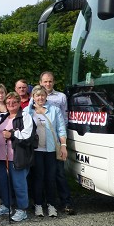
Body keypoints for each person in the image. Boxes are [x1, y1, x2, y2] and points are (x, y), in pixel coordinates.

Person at [0, 92, 33, 222]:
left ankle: (22, 209)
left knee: (19, 183)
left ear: (19, 103)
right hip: (1, 156)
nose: (11, 105)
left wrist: (12, 134)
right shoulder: (5, 117)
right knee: (3, 182)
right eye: (8, 102)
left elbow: (27, 135)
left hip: (17, 156)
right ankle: (7, 204)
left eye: (14, 102)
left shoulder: (25, 116)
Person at [29, 85, 67, 218]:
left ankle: (51, 204)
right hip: (36, 150)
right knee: (38, 178)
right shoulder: (28, 111)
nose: (40, 97)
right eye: (37, 95)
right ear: (33, 97)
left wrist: (63, 145)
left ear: (46, 96)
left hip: (51, 150)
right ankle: (38, 204)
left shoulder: (55, 110)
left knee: (50, 178)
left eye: (42, 95)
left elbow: (61, 129)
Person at [39, 71, 74, 215]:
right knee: (41, 174)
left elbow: (64, 119)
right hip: (41, 143)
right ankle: (42, 202)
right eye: (45, 81)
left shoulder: (61, 97)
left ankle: (66, 202)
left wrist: (62, 142)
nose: (48, 84)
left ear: (54, 82)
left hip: (57, 141)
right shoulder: (35, 96)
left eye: (50, 81)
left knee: (59, 173)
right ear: (40, 82)